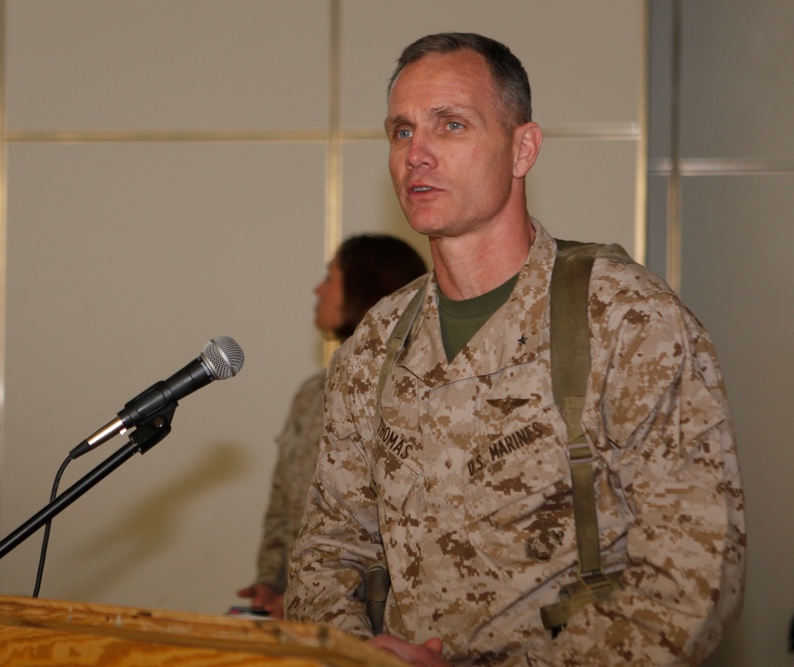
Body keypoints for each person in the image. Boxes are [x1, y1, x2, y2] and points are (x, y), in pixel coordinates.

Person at [285, 32, 745, 666]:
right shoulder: (377, 344)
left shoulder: (624, 319)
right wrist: (359, 655)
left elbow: (692, 574)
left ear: (523, 147)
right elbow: (327, 552)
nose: (417, 153)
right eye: (401, 132)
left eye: (450, 125)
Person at [236, 234, 426, 619]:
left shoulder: (409, 391)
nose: (317, 289)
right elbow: (283, 499)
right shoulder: (312, 392)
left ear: (364, 287)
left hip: (368, 618)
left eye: (330, 277)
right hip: (301, 603)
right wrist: (273, 584)